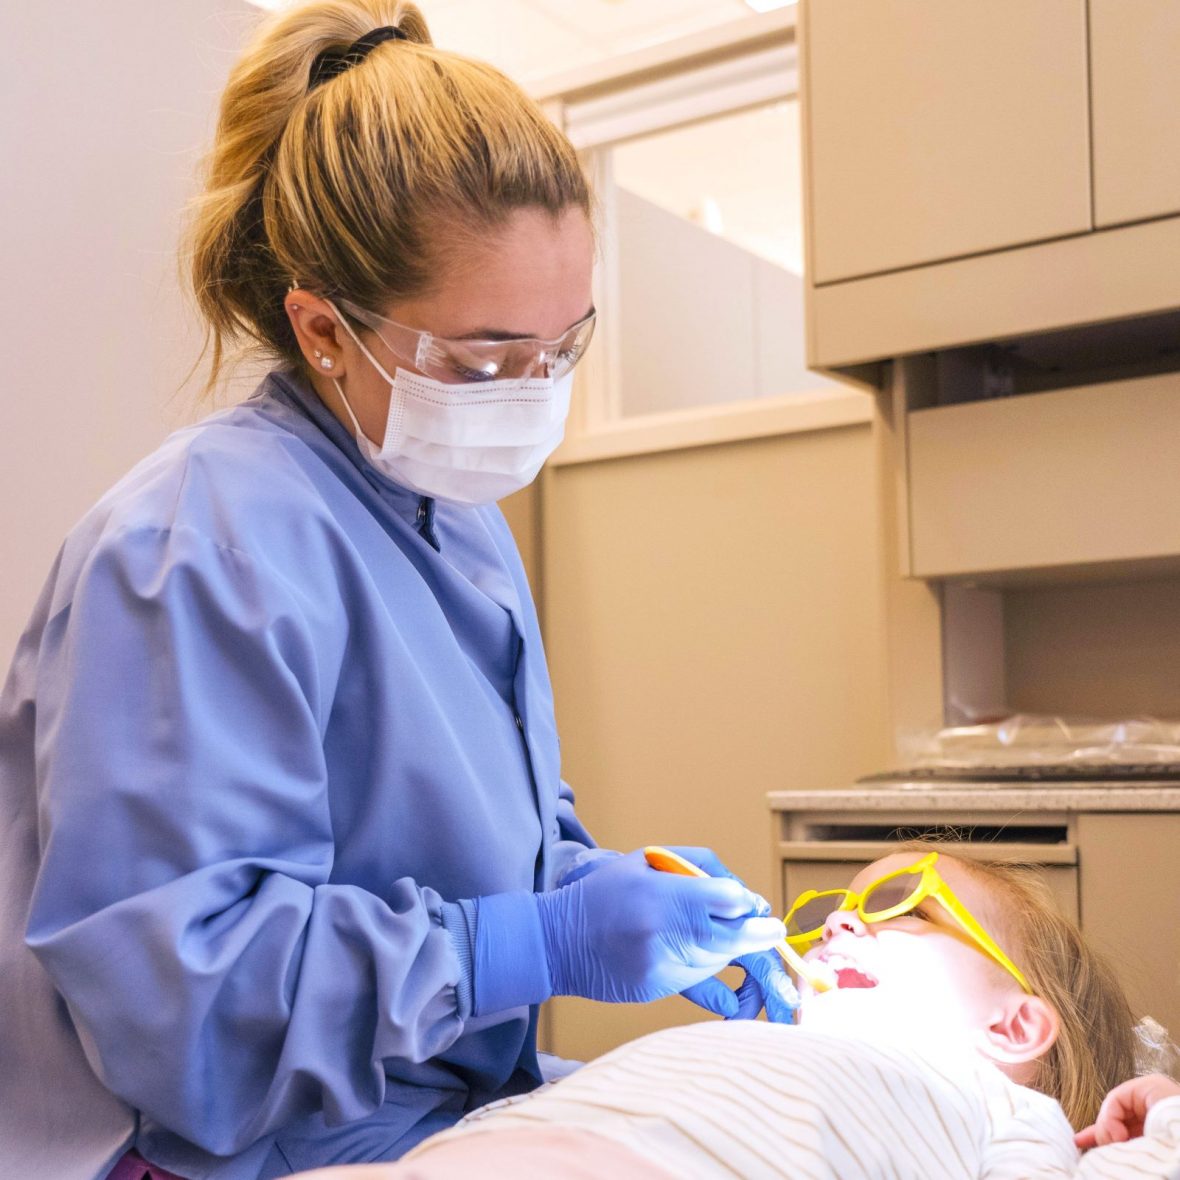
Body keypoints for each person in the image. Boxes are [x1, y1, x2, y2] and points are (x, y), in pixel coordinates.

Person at [0, 5, 791, 1179]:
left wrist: (590, 881)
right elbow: (185, 1011)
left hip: (412, 1120)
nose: (528, 394)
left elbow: (450, 839)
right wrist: (537, 940)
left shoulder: (458, 523)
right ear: (322, 329)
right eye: (481, 361)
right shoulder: (191, 550)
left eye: (560, 349)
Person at [287, 849, 1172, 1179]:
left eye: (909, 904)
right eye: (843, 901)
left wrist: (1158, 1112)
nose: (841, 919)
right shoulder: (725, 1049)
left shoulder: (1001, 1113)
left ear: (1014, 1027)